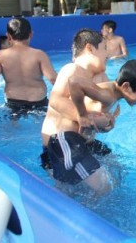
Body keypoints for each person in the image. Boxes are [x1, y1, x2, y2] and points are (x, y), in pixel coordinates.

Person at [41, 28, 113, 195]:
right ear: (89, 48)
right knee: (103, 187)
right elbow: (56, 100)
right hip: (60, 148)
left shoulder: (100, 78)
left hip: (82, 145)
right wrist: (86, 119)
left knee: (116, 169)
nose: (107, 54)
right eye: (104, 49)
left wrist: (106, 121)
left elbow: (97, 114)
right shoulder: (72, 70)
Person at [0, 17, 57, 114]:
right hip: (39, 102)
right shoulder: (39, 55)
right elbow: (53, 79)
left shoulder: (0, 56)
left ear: (8, 36)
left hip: (14, 103)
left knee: (10, 126)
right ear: (31, 34)